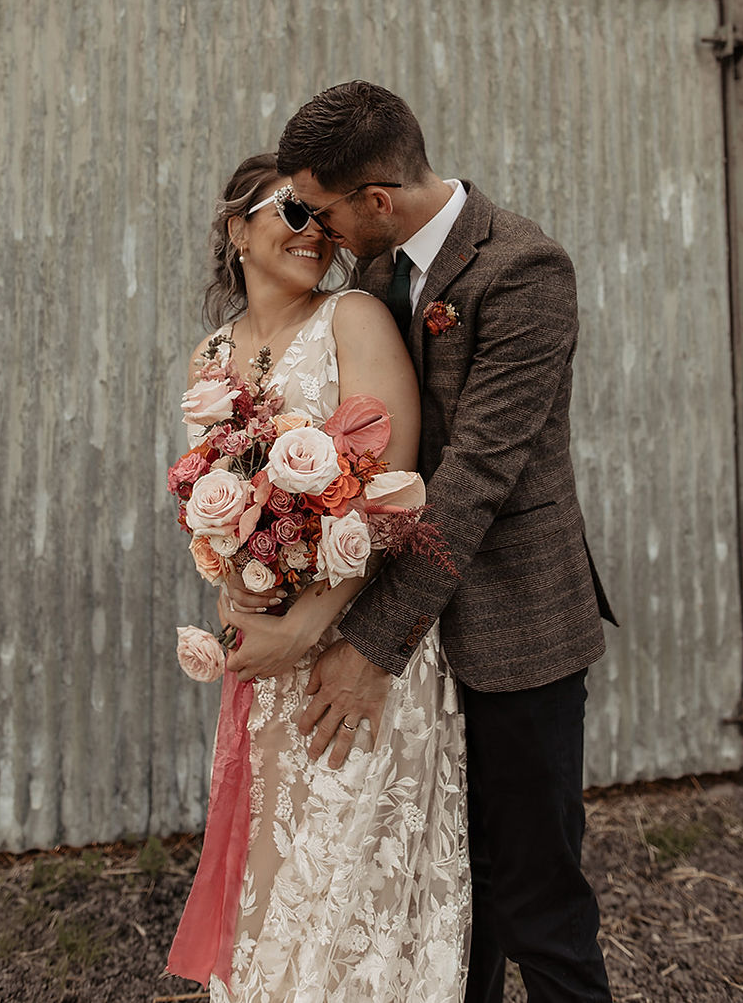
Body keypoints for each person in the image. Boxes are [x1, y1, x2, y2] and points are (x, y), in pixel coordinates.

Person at [274, 83, 617, 1003]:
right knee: (445, 901)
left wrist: (369, 647)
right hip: (421, 645)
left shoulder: (526, 269)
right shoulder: (378, 276)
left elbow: (475, 482)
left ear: (378, 201)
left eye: (324, 209)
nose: (316, 229)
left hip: (517, 628)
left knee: (535, 898)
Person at [167, 152, 471, 1003]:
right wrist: (234, 581)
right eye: (292, 214)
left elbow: (393, 491)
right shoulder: (211, 355)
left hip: (364, 648)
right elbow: (209, 495)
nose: (316, 234)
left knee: (350, 888)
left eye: (322, 219)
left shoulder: (354, 318)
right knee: (275, 884)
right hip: (269, 658)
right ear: (238, 230)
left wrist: (313, 618)